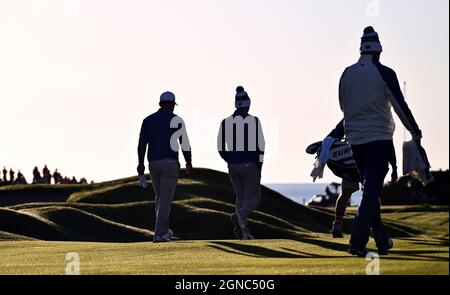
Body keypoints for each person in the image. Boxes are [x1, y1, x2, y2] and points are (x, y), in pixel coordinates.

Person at [338, 27, 422, 256]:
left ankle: (382, 241)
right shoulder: (384, 72)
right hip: (379, 139)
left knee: (369, 191)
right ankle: (357, 242)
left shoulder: (347, 73)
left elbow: (344, 106)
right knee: (372, 191)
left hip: (355, 140)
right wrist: (415, 131)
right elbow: (399, 105)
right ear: (378, 50)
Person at [325, 119, 398, 238]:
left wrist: (326, 148)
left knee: (347, 193)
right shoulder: (379, 116)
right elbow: (388, 144)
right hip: (365, 161)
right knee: (371, 193)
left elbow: (335, 133)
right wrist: (394, 167)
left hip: (351, 161)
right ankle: (373, 228)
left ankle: (338, 225)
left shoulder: (351, 113)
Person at [137, 91, 193, 243]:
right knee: (165, 199)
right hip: (170, 163)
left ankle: (164, 230)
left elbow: (142, 144)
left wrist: (140, 163)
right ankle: (159, 234)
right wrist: (188, 161)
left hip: (153, 164)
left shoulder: (148, 120)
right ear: (172, 105)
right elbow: (184, 143)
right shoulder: (177, 120)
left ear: (161, 104)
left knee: (160, 198)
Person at [217, 86, 265, 240]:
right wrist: (259, 164)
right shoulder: (254, 121)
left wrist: (229, 159)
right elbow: (261, 145)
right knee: (253, 199)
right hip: (249, 164)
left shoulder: (225, 122)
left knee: (241, 198)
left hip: (233, 165)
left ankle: (244, 233)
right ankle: (239, 216)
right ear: (248, 104)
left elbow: (220, 147)